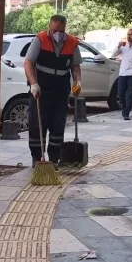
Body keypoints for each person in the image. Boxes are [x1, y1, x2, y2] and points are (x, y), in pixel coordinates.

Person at [23, 14, 82, 167]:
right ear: (49, 26)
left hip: (61, 89)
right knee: (37, 125)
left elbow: (75, 66)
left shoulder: (72, 43)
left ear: (64, 29)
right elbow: (28, 63)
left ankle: (54, 159)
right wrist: (33, 84)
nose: (57, 33)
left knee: (58, 125)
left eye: (60, 30)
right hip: (41, 89)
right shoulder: (40, 39)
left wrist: (78, 82)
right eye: (54, 30)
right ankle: (37, 159)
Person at [111, 29, 132, 120]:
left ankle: (126, 112)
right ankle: (125, 107)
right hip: (122, 73)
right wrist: (118, 46)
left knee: (130, 94)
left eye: (131, 34)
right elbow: (113, 55)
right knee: (120, 93)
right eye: (127, 34)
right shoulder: (123, 46)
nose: (128, 36)